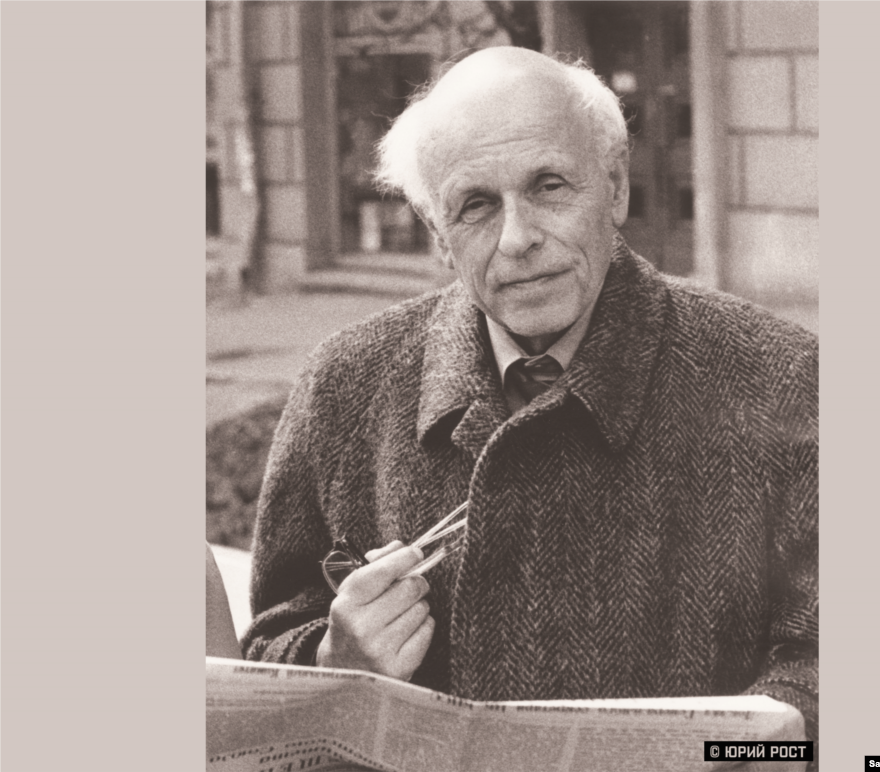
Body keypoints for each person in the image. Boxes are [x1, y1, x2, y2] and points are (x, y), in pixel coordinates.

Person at [243, 46, 818, 761]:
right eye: (476, 206)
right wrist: (337, 663)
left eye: (549, 186)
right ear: (438, 235)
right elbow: (268, 645)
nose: (518, 240)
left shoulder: (783, 378)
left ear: (615, 188)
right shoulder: (344, 386)